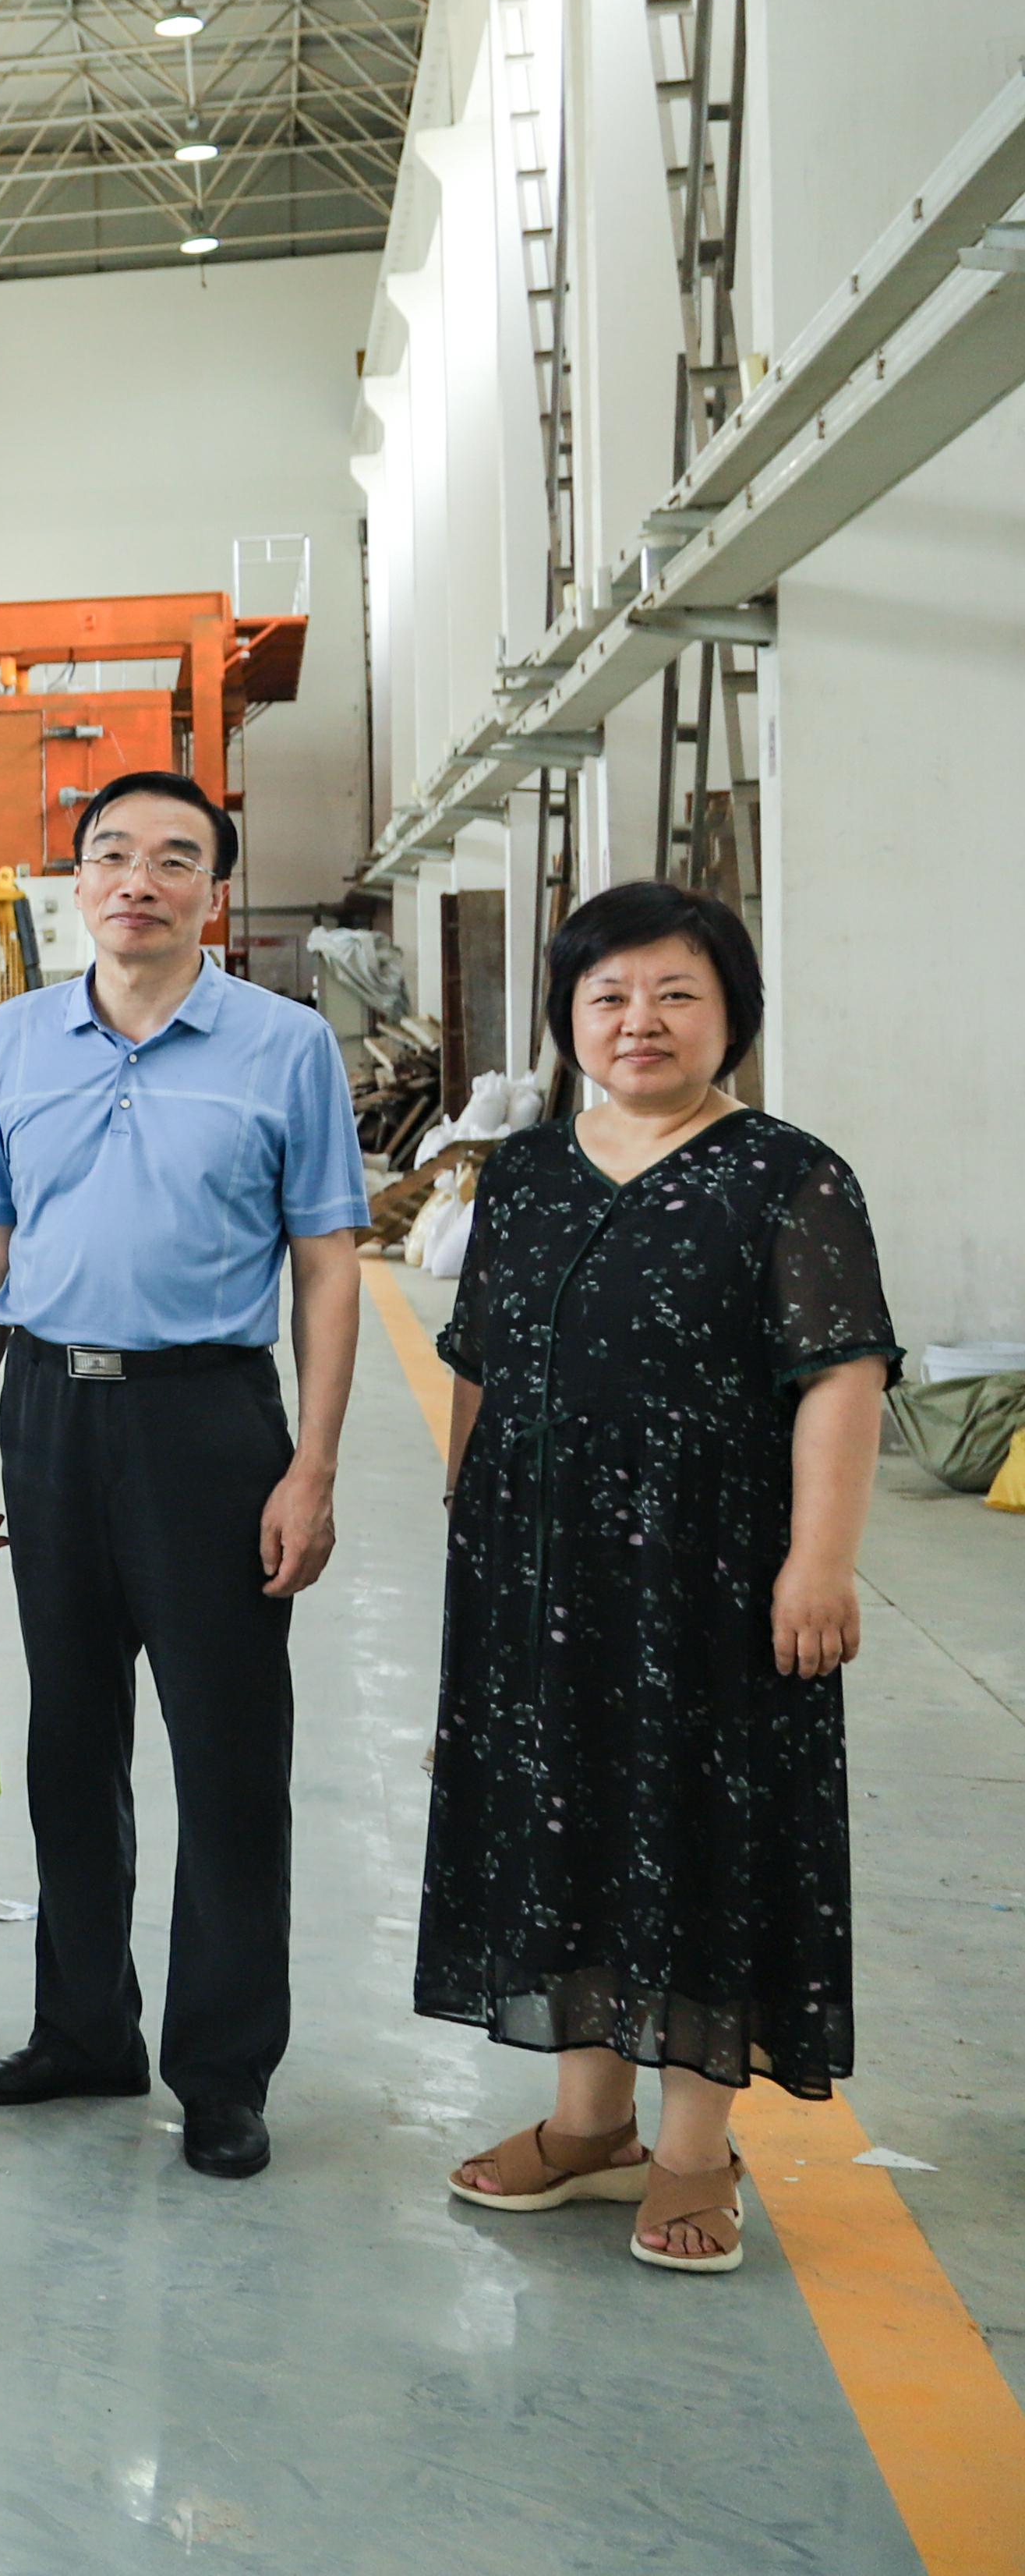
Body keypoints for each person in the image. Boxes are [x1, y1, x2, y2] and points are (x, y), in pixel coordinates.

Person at [421, 883, 892, 2273]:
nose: (641, 1021)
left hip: (714, 1574)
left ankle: (693, 2147)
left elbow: (843, 1377)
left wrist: (821, 1561)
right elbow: (480, 1364)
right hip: (539, 1567)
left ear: (731, 1014)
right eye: (609, 996)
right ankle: (588, 2127)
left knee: (699, 1829)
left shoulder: (789, 1175)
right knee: (567, 1818)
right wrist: (471, 1525)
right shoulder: (524, 1172)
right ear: (568, 1018)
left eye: (676, 994)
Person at [0, 766, 366, 2181]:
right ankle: (83, 2031)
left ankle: (223, 2072)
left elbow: (327, 1266)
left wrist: (311, 1466)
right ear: (79, 883)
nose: (140, 880)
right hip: (52, 1412)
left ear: (214, 895)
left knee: (229, 1757)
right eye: (113, 854)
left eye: (175, 858)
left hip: (209, 1423)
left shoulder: (285, 1046)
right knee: (71, 1743)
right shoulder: (15, 1039)